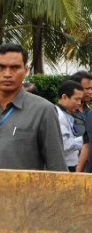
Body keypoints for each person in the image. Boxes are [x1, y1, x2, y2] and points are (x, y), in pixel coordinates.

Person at [0, 43, 67, 171]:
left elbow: (57, 166)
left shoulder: (43, 110)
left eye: (15, 67)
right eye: (1, 67)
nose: (7, 74)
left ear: (26, 70)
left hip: (22, 190)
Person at [56, 80, 84, 172]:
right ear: (64, 97)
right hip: (65, 167)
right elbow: (63, 146)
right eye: (76, 99)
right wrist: (85, 139)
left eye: (80, 99)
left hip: (70, 164)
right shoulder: (58, 115)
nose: (79, 103)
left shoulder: (67, 114)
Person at [70, 70, 92, 137]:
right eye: (87, 88)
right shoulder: (64, 113)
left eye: (91, 88)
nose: (90, 92)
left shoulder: (91, 112)